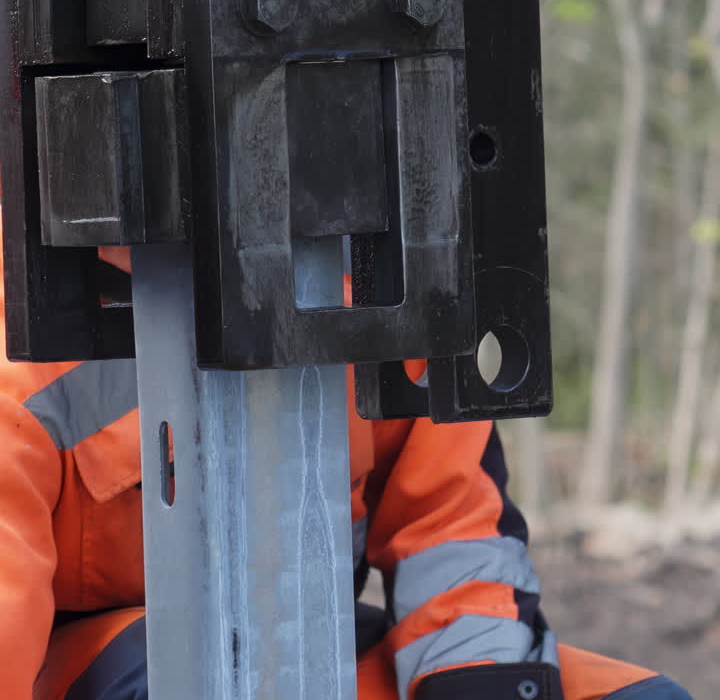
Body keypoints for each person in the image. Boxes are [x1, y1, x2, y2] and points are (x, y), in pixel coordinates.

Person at [0, 234, 691, 700]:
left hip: (323, 647)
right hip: (112, 669)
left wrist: (482, 685)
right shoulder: (21, 331)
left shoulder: (386, 286)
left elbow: (454, 537)